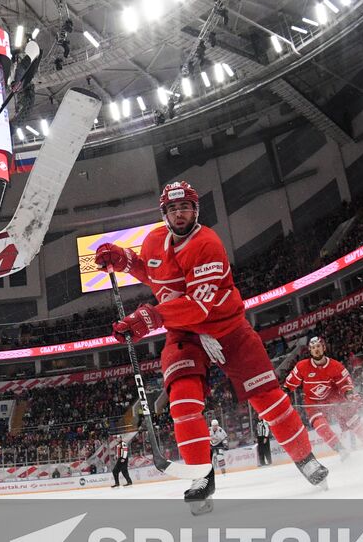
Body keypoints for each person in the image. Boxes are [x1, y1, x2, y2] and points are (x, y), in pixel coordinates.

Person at [94, 180, 328, 511]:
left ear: (196, 210)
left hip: (225, 327)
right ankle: (201, 477)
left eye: (185, 207)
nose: (179, 214)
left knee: (269, 399)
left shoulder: (207, 244)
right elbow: (155, 275)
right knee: (182, 401)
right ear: (164, 213)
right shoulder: (154, 240)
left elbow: (197, 306)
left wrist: (149, 317)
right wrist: (124, 261)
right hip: (184, 333)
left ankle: (306, 459)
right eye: (173, 209)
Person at [284, 335, 363, 458]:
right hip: (313, 403)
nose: (316, 349)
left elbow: (345, 385)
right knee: (320, 426)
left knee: (352, 419)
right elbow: (288, 386)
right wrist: (283, 396)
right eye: (313, 347)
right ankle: (341, 450)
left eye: (318, 346)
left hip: (334, 398)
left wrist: (350, 395)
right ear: (310, 350)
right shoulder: (302, 366)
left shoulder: (335, 366)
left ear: (324, 348)